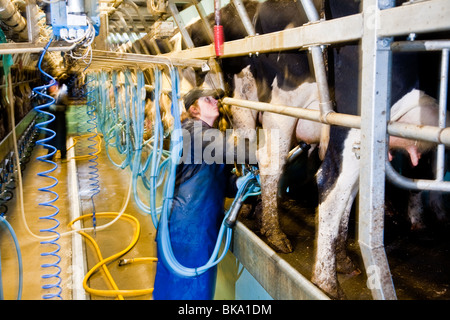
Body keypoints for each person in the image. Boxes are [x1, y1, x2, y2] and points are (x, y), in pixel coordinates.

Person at [153, 88, 253, 300]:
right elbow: (236, 150)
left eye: (215, 98)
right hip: (185, 229)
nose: (215, 101)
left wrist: (241, 183)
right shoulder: (191, 131)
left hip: (201, 229)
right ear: (194, 110)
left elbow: (223, 185)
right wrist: (268, 151)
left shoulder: (211, 137)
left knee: (194, 291)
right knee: (186, 293)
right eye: (208, 99)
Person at [46, 81, 69, 160]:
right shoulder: (51, 96)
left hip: (60, 121)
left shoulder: (62, 95)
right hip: (52, 122)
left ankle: (63, 155)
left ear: (55, 86)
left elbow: (66, 107)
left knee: (61, 138)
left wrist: (55, 108)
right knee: (52, 138)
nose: (49, 88)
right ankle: (50, 155)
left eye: (51, 86)